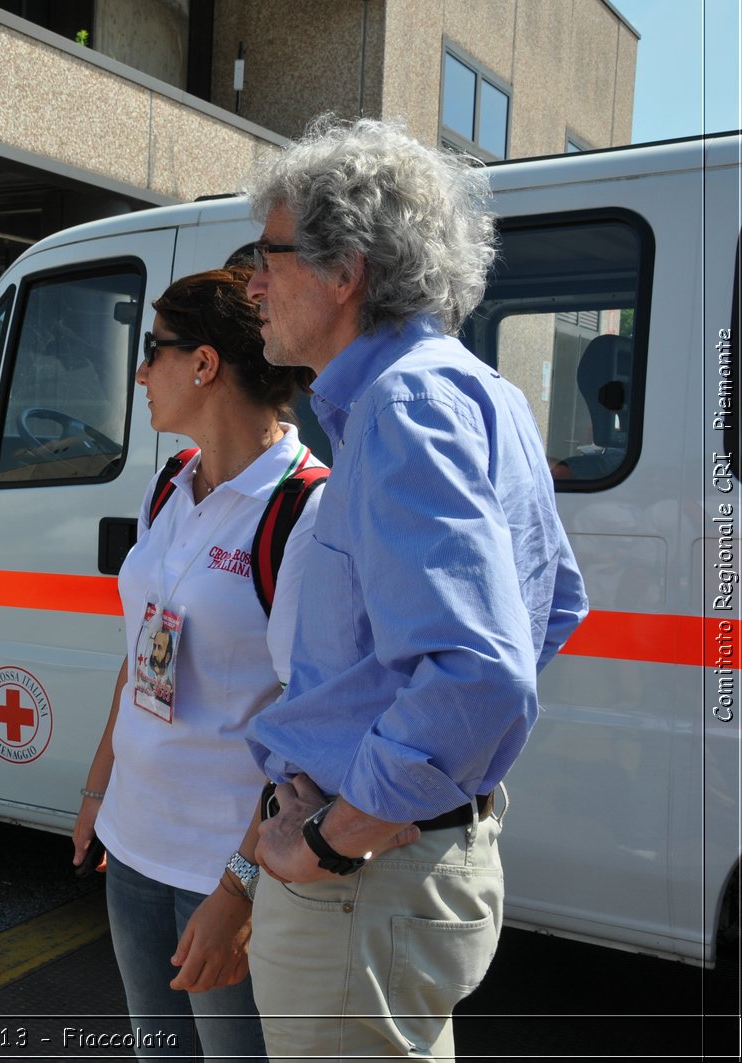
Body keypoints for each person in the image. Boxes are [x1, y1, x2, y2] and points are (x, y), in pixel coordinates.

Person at [240, 116, 589, 1060]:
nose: (253, 285)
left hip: (361, 889)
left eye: (266, 257)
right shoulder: (480, 391)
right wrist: (408, 780)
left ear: (345, 271)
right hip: (398, 875)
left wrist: (341, 830)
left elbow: (479, 673)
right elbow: (553, 605)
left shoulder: (402, 403)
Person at [72, 267, 323, 1063]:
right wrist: (98, 787)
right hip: (135, 844)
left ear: (205, 364)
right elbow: (142, 649)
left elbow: (310, 727)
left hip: (222, 867)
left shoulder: (301, 510)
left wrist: (239, 891)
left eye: (154, 351)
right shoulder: (171, 483)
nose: (142, 373)